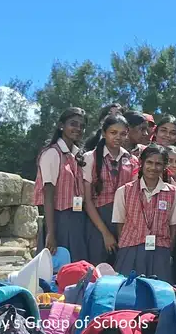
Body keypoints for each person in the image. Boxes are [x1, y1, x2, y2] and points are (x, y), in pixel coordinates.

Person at [112, 144, 176, 282]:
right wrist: (130, 243)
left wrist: (167, 250)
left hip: (160, 251)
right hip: (130, 249)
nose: (153, 168)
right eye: (149, 162)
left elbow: (173, 226)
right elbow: (120, 223)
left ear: (164, 166)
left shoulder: (174, 193)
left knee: (157, 295)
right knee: (127, 295)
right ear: (141, 162)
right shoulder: (124, 191)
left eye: (158, 164)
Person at [82, 114, 139, 264]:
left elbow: (134, 196)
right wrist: (105, 233)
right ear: (104, 133)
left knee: (121, 266)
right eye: (113, 133)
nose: (118, 137)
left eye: (123, 134)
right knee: (97, 267)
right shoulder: (90, 158)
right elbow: (87, 201)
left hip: (125, 221)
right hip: (98, 220)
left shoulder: (132, 161)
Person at [33, 107, 89, 257]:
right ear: (61, 126)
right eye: (73, 124)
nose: (78, 129)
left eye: (82, 126)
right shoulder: (52, 153)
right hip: (59, 219)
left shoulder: (77, 156)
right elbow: (48, 194)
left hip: (77, 217)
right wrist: (51, 232)